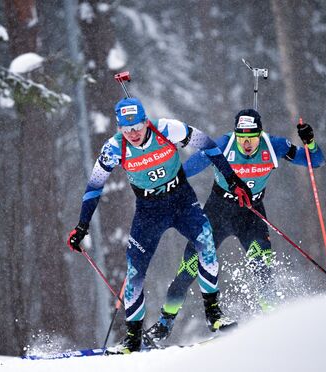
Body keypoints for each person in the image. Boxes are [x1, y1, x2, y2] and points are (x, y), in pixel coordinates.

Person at [67, 97, 251, 354]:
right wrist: (82, 226)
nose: (132, 133)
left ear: (145, 122)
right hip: (149, 212)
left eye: (136, 127)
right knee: (134, 273)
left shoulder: (168, 129)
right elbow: (94, 187)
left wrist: (233, 180)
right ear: (119, 128)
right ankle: (132, 340)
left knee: (206, 242)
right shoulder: (113, 148)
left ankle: (214, 314)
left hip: (182, 202)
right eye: (125, 128)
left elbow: (209, 146)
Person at [146, 108, 325, 342]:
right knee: (189, 267)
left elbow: (316, 161)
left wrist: (310, 142)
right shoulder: (222, 145)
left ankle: (272, 321)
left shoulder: (274, 145)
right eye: (242, 137)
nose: (247, 143)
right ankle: (164, 323)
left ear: (260, 134)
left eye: (252, 137)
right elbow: (187, 169)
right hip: (217, 213)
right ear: (235, 135)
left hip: (251, 216)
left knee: (262, 266)